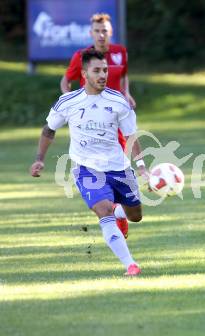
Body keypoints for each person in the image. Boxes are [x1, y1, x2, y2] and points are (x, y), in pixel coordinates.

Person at [30, 49, 148, 276]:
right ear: (84, 74)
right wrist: (39, 160)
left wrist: (142, 167)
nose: (103, 75)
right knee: (103, 211)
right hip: (86, 168)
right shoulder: (68, 102)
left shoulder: (118, 101)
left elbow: (132, 135)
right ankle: (130, 265)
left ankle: (119, 213)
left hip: (119, 167)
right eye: (97, 71)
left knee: (136, 216)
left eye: (105, 70)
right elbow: (49, 130)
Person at [60, 13, 136, 238]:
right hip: (92, 125)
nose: (101, 34)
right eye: (97, 30)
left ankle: (116, 213)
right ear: (91, 33)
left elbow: (123, 77)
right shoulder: (82, 56)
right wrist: (72, 104)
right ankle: (113, 214)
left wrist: (127, 93)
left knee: (119, 169)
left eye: (105, 30)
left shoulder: (120, 53)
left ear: (110, 32)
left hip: (116, 122)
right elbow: (66, 82)